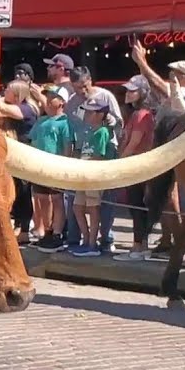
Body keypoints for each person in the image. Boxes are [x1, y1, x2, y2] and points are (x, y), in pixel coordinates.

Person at [0, 79, 40, 243]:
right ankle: (17, 225)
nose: (5, 91)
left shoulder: (27, 109)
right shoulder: (14, 106)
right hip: (12, 156)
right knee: (15, 191)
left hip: (25, 154)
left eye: (9, 89)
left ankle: (24, 229)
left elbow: (2, 108)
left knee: (24, 192)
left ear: (17, 94)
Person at [114, 75, 157, 261]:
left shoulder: (141, 115)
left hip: (137, 164)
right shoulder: (138, 113)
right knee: (138, 206)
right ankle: (141, 245)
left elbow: (134, 143)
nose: (128, 93)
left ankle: (139, 247)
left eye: (133, 90)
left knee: (137, 206)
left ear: (142, 93)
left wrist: (119, 162)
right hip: (138, 164)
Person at [29, 85, 73, 252]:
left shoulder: (64, 122)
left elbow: (67, 145)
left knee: (57, 200)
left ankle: (57, 232)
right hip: (40, 167)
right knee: (42, 199)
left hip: (56, 166)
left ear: (61, 101)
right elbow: (33, 141)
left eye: (53, 97)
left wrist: (65, 164)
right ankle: (47, 230)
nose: (47, 100)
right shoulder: (41, 121)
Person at [72, 96, 117, 256]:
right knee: (77, 207)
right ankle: (85, 239)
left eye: (90, 113)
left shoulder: (102, 132)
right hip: (83, 174)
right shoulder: (88, 131)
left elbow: (100, 155)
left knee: (93, 207)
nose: (87, 115)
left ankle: (92, 243)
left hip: (93, 175)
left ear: (99, 114)